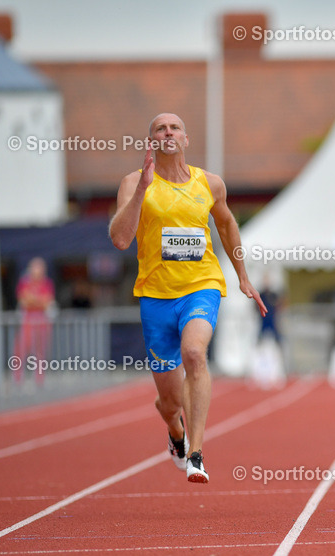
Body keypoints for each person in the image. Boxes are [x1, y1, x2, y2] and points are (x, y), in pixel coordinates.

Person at [109, 113, 266, 484]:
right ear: (151, 141)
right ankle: (175, 432)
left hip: (201, 285)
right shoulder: (133, 182)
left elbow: (227, 224)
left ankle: (196, 452)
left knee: (195, 354)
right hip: (155, 297)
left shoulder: (209, 183)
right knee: (170, 402)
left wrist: (243, 277)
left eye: (174, 127)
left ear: (185, 138)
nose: (168, 133)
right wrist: (143, 190)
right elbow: (119, 238)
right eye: (160, 129)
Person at [13, 257, 55, 386]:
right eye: (36, 268)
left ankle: (39, 379)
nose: (38, 271)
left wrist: (34, 300)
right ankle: (18, 378)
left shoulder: (47, 283)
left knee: (40, 351)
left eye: (40, 268)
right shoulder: (24, 282)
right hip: (27, 322)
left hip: (42, 322)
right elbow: (24, 300)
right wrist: (38, 301)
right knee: (21, 350)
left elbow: (47, 301)